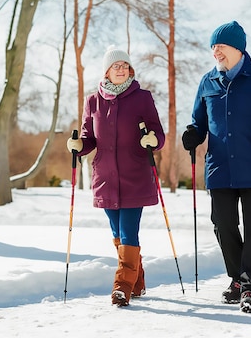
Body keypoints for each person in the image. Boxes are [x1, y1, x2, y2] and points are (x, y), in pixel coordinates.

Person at [182, 21, 251, 313]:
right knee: (222, 224)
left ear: (238, 47)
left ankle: (250, 288)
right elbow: (199, 121)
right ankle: (238, 278)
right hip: (219, 167)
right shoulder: (208, 82)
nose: (215, 51)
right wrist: (194, 134)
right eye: (213, 47)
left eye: (220, 46)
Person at [66, 45, 165, 307]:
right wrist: (79, 146)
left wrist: (153, 138)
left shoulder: (142, 97)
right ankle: (137, 281)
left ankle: (122, 287)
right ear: (106, 72)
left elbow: (158, 134)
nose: (121, 69)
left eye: (124, 66)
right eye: (115, 66)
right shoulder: (93, 101)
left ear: (130, 70)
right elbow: (88, 138)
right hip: (106, 178)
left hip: (135, 175)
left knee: (128, 231)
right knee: (118, 234)